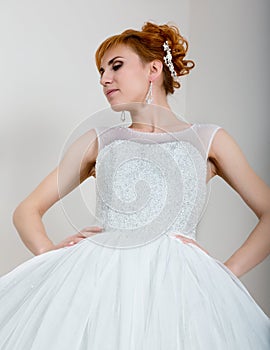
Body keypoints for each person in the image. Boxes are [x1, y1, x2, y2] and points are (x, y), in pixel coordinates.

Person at [0, 21, 269, 349]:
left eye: (116, 66)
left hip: (178, 289)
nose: (104, 79)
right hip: (99, 286)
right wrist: (48, 253)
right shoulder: (100, 141)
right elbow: (26, 210)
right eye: (100, 72)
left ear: (154, 69)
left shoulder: (208, 140)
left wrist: (226, 274)